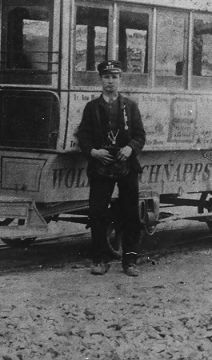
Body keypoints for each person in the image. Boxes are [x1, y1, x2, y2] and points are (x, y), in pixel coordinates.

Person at [75, 60, 146, 277]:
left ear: (120, 79)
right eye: (106, 77)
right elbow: (83, 136)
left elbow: (140, 136)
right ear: (101, 80)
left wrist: (129, 148)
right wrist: (94, 152)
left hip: (126, 165)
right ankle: (99, 260)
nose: (110, 82)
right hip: (101, 165)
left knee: (131, 214)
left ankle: (130, 261)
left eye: (114, 77)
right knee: (97, 213)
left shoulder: (131, 106)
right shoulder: (92, 107)